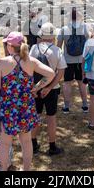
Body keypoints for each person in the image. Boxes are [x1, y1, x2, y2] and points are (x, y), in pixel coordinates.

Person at [0, 32, 55, 171]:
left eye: (7, 43)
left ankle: (3, 169)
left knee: (5, 143)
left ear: (10, 47)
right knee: (26, 141)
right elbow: (51, 74)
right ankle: (26, 170)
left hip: (8, 108)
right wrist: (36, 88)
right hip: (26, 107)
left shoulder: (3, 63)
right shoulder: (31, 61)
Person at [29, 23, 67, 156]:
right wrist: (50, 87)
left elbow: (29, 69)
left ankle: (33, 144)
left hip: (35, 88)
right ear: (53, 36)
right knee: (51, 118)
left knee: (36, 115)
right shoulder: (57, 50)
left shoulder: (33, 48)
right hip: (52, 89)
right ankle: (52, 146)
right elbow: (60, 72)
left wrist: (34, 87)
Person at [57, 8, 90, 114]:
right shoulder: (84, 28)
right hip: (81, 60)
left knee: (67, 83)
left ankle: (66, 106)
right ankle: (85, 105)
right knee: (82, 83)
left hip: (67, 60)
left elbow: (58, 46)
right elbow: (88, 44)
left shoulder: (63, 29)